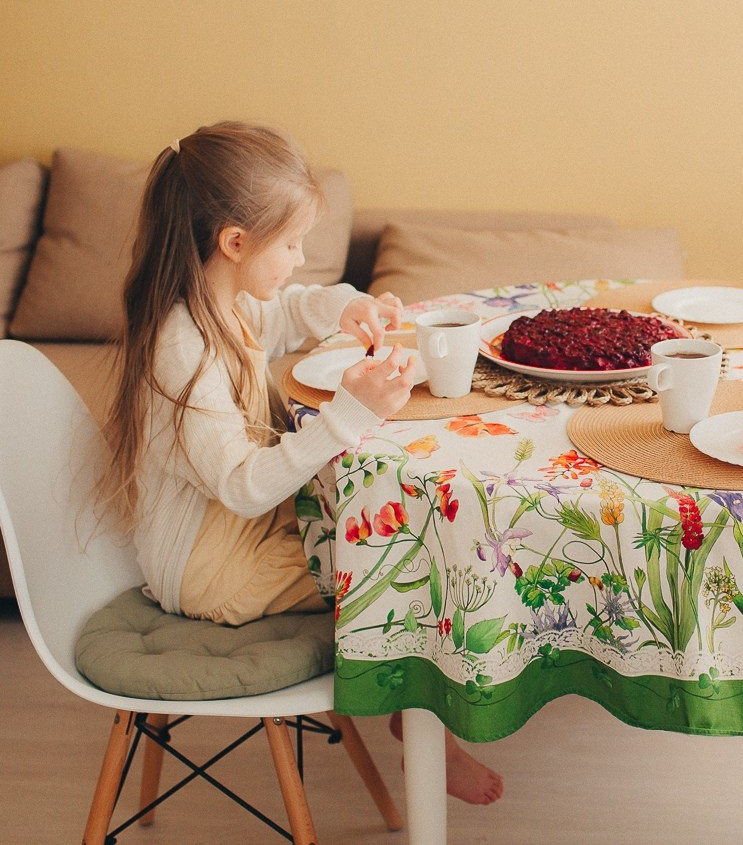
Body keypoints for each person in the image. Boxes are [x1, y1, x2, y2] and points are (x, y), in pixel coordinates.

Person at [100, 121, 503, 804]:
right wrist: (350, 414)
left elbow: (284, 309)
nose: (299, 256)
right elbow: (243, 484)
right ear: (235, 242)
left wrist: (347, 306)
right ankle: (420, 724)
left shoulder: (216, 301)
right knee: (413, 565)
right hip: (213, 568)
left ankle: (416, 711)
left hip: (236, 533)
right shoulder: (183, 348)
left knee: (400, 518)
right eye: (289, 244)